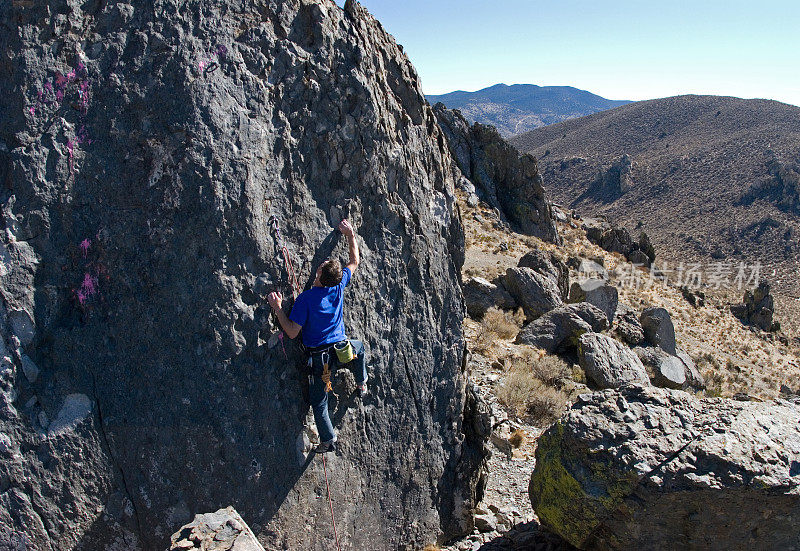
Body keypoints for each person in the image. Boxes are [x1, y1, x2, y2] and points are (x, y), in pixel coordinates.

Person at [267, 219, 367, 453]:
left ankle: (328, 440)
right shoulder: (338, 285)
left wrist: (278, 308)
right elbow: (355, 261)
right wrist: (351, 234)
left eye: (320, 267)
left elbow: (292, 332)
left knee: (318, 401)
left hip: (321, 360)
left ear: (320, 275)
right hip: (342, 350)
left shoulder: (306, 299)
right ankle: (362, 382)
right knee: (360, 348)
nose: (318, 267)